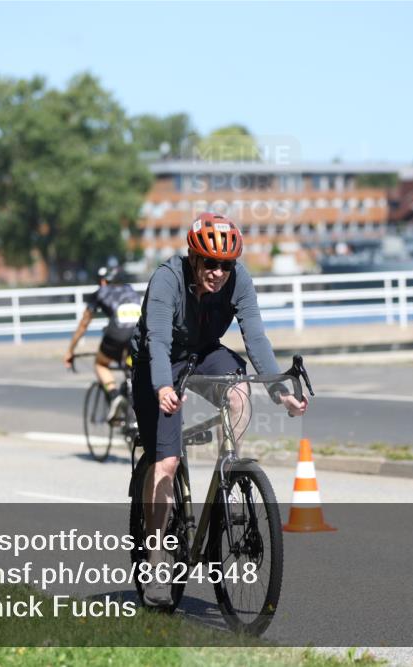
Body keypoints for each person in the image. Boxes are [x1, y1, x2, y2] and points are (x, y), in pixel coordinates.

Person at [129, 212, 308, 606]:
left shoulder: (240, 280)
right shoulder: (166, 279)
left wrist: (281, 391)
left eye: (224, 265)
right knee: (168, 462)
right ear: (194, 258)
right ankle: (157, 561)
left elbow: (255, 336)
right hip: (157, 362)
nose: (217, 272)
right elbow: (157, 340)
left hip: (204, 352)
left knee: (240, 389)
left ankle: (228, 471)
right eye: (210, 263)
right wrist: (162, 386)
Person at [64, 266, 142, 419]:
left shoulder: (100, 291)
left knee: (100, 364)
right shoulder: (131, 290)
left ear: (103, 281)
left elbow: (83, 324)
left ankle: (114, 396)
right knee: (133, 366)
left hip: (116, 335)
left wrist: (70, 351)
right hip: (139, 335)